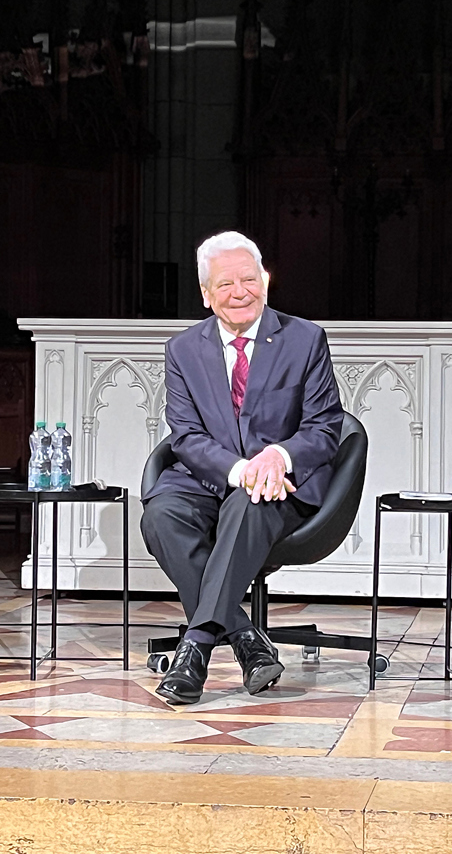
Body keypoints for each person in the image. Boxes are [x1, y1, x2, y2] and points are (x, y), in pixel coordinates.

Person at [141, 231, 344, 705]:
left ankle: (194, 653)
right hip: (207, 479)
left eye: (249, 280)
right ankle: (247, 641)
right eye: (226, 284)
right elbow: (186, 436)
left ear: (265, 281)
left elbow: (325, 428)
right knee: (160, 517)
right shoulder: (183, 349)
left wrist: (278, 456)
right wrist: (238, 469)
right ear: (206, 295)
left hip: (280, 485)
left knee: (250, 503)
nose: (240, 292)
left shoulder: (304, 339)